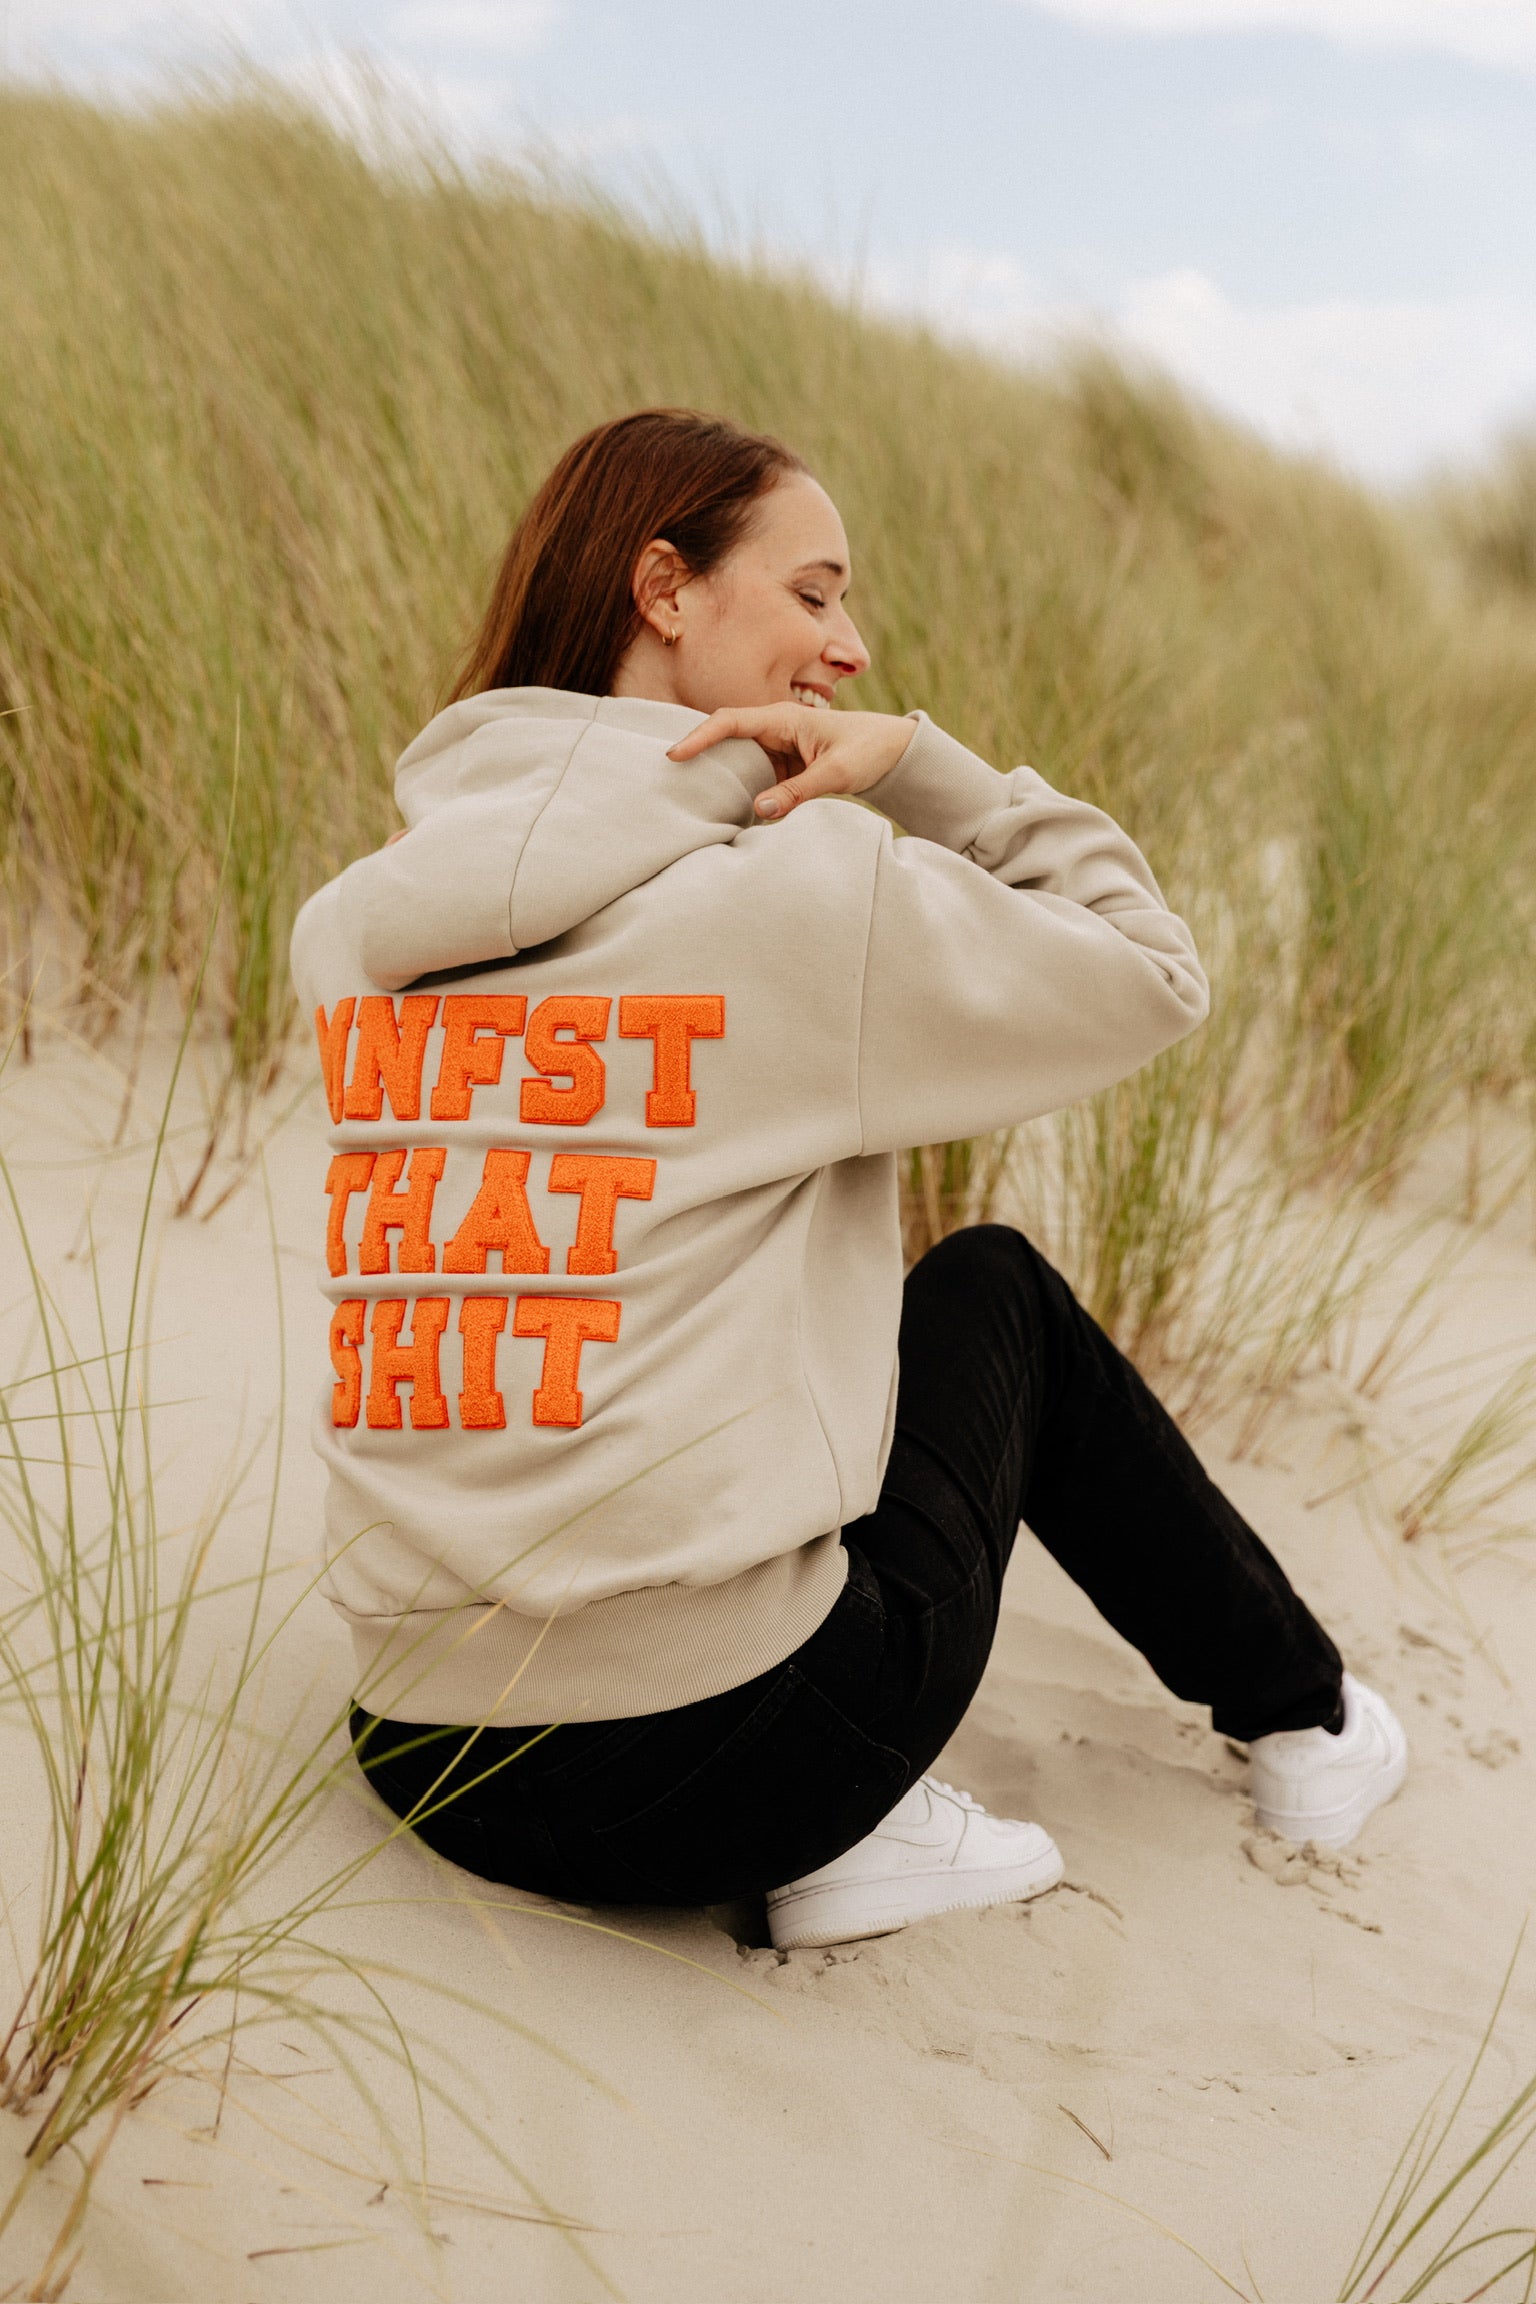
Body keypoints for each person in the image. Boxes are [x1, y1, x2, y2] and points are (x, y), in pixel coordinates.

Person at [291, 408, 1406, 1953]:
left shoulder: (356, 926)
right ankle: (1311, 1722)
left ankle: (861, 1832)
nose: (852, 647)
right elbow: (1155, 973)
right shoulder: (794, 894)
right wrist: (926, 771)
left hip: (417, 1748)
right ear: (664, 589)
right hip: (729, 1756)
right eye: (814, 594)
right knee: (993, 1292)